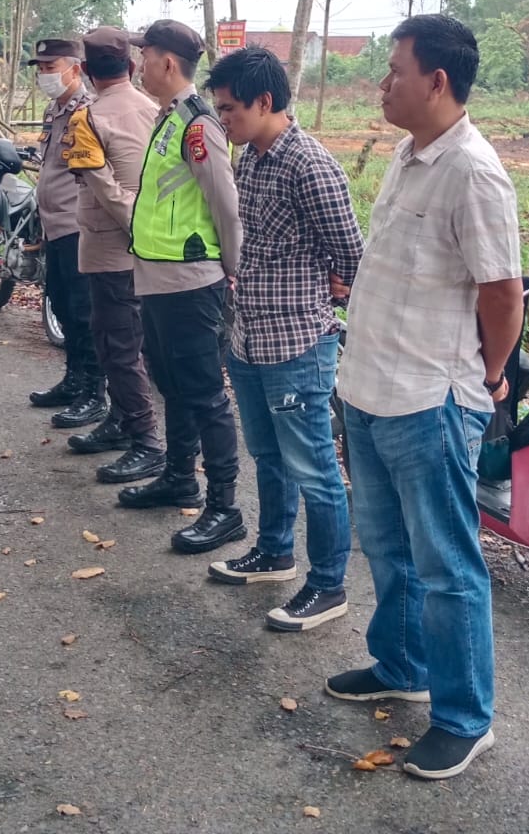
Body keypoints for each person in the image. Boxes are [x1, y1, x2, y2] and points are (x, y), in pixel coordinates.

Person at [327, 14, 523, 781]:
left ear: (436, 80)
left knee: (447, 565)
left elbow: (503, 293)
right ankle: (401, 663)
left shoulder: (473, 172)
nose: (384, 82)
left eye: (395, 69)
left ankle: (464, 717)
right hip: (372, 388)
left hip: (430, 399)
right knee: (386, 547)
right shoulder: (411, 158)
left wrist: (492, 376)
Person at [204, 46, 362, 632]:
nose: (223, 121)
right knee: (267, 456)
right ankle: (274, 553)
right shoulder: (252, 157)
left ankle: (328, 586)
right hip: (248, 338)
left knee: (315, 467)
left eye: (229, 110)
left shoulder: (309, 165)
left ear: (264, 102)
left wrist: (327, 295)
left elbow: (351, 254)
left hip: (297, 343)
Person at [116, 19, 244, 555]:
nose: (138, 65)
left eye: (144, 56)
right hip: (159, 277)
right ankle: (178, 477)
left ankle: (225, 508)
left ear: (168, 63)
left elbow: (225, 205)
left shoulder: (198, 124)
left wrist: (232, 270)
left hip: (192, 282)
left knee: (206, 396)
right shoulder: (168, 119)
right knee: (170, 382)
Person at [60, 26, 164, 482]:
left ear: (83, 70)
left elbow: (109, 191)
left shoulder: (89, 118)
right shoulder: (154, 109)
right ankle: (122, 421)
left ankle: (146, 440)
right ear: (134, 66)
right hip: (148, 245)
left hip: (113, 246)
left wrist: (138, 230)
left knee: (118, 347)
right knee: (120, 341)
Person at [25, 37, 107, 430]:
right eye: (39, 68)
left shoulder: (89, 110)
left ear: (75, 68)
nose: (44, 74)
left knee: (83, 311)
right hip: (53, 224)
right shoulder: (54, 110)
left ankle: (95, 392)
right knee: (59, 301)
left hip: (79, 225)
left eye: (50, 66)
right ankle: (74, 380)